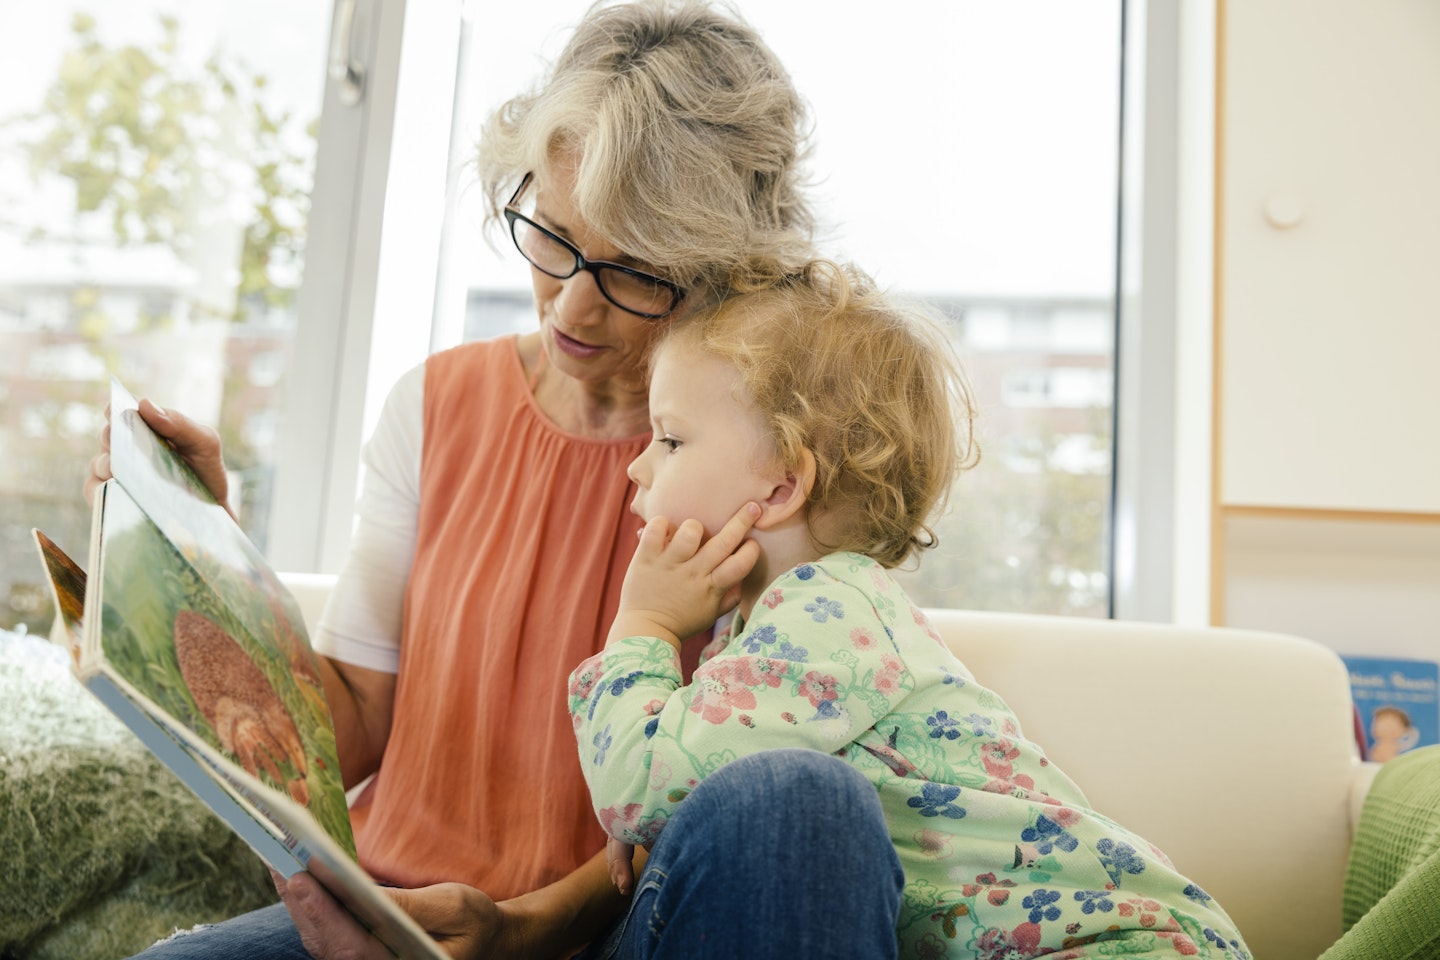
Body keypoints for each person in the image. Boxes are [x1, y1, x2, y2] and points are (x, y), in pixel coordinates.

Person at [85, 1, 830, 957]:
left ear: (723, 272)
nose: (571, 302)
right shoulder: (432, 406)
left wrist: (522, 929)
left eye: (633, 271)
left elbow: (717, 809)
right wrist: (202, 547)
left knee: (801, 800)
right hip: (402, 911)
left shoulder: (759, 464)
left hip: (617, 929)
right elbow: (345, 733)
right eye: (551, 236)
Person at [567, 260, 1254, 959]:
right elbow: (661, 800)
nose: (638, 466)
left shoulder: (828, 613)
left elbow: (636, 787)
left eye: (671, 439)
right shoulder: (768, 636)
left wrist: (644, 625)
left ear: (781, 486)